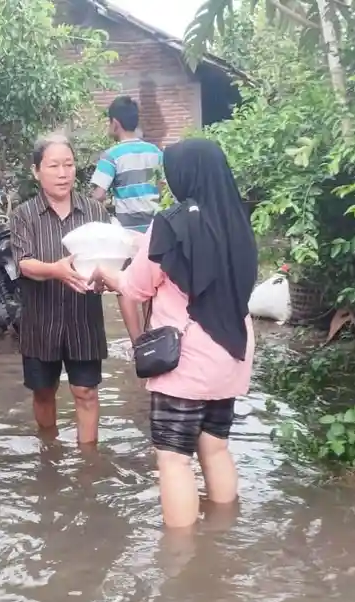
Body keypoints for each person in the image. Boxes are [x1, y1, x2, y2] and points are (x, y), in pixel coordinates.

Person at [93, 138, 258, 529]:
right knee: (215, 450)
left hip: (187, 358)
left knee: (173, 459)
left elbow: (136, 287)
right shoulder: (238, 220)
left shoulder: (171, 223)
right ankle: (223, 536)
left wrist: (105, 274)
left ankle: (181, 554)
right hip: (232, 354)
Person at [10, 133, 110, 445]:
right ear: (36, 171)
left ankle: (89, 460)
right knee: (43, 392)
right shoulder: (24, 215)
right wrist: (55, 270)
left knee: (86, 391)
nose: (63, 173)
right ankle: (48, 449)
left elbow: (111, 261)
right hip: (41, 321)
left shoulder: (95, 213)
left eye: (68, 164)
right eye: (54, 166)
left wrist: (107, 277)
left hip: (84, 319)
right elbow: (24, 263)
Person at [90, 95, 163, 340]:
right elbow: (163, 187)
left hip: (127, 231)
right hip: (155, 230)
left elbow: (98, 195)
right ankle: (153, 338)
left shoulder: (111, 155)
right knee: (151, 284)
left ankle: (137, 343)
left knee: (125, 285)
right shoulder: (155, 152)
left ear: (115, 123)